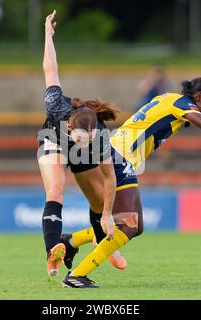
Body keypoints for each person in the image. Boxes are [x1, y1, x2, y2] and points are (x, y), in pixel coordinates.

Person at [62, 77, 201, 288]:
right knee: (127, 227)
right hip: (121, 157)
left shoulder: (170, 100)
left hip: (118, 154)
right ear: (198, 96)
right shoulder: (183, 105)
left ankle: (70, 241)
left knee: (136, 226)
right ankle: (77, 276)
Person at [38, 10, 127, 277]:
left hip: (78, 150)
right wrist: (47, 34)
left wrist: (109, 214)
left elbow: (110, 178)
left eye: (87, 140)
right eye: (80, 139)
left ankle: (102, 239)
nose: (84, 143)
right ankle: (53, 251)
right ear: (70, 126)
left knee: (99, 203)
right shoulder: (56, 107)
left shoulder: (97, 138)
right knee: (55, 190)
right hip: (52, 139)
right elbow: (50, 68)